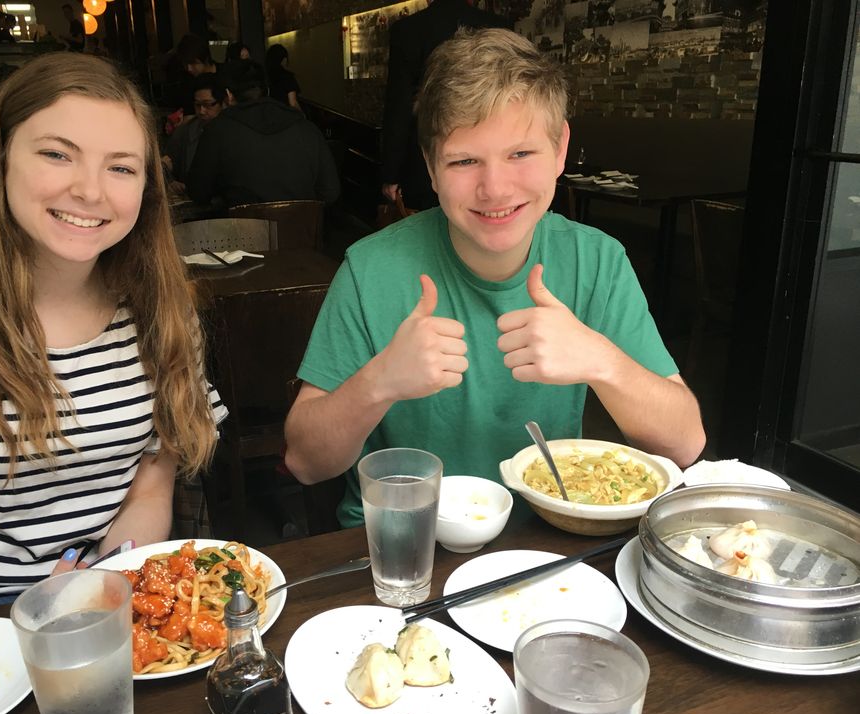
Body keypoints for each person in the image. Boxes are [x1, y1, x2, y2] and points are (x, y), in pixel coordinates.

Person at [284, 28, 705, 528]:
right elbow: (305, 463)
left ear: (561, 149)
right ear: (431, 168)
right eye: (465, 161)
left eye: (520, 154)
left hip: (549, 538)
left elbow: (685, 444)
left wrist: (601, 361)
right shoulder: (370, 268)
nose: (495, 189)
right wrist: (379, 382)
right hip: (403, 544)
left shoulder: (597, 260)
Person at [0, 53, 226, 625]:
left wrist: (101, 594)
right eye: (57, 154)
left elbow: (149, 486)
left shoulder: (162, 313)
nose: (90, 190)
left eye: (121, 168)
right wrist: (17, 643)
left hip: (102, 608)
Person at [381, 0, 510, 211]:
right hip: (489, 153)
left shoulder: (408, 30)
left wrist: (391, 174)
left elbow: (398, 107)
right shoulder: (498, 26)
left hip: (426, 159)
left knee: (428, 223)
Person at [186, 59, 339, 208]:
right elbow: (330, 192)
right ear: (267, 91)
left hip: (240, 225)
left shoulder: (217, 130)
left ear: (229, 95)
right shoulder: (306, 128)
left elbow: (198, 192)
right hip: (303, 224)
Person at [163, 73, 226, 191]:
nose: (202, 111)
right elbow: (165, 165)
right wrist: (170, 182)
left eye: (208, 105)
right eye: (198, 105)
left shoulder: (233, 131)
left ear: (224, 103)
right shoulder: (185, 130)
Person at [265, 44, 302, 111]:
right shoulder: (287, 77)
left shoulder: (265, 76)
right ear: (284, 59)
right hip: (285, 114)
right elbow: (293, 103)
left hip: (269, 112)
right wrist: (302, 115)